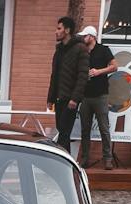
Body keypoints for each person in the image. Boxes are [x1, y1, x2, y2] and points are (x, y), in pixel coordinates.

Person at [46, 17, 87, 155]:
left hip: (70, 98)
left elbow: (83, 76)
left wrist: (75, 98)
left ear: (67, 30)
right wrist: (50, 98)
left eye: (59, 28)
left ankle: (59, 160)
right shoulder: (59, 50)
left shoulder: (80, 48)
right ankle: (66, 161)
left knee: (64, 132)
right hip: (59, 97)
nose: (56, 31)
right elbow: (55, 75)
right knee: (63, 131)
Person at [77, 27, 116, 168]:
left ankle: (108, 158)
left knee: (104, 128)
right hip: (85, 96)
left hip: (101, 95)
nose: (83, 38)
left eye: (85, 36)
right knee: (85, 129)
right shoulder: (82, 52)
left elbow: (114, 66)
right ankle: (85, 158)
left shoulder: (103, 50)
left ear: (92, 37)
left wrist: (99, 71)